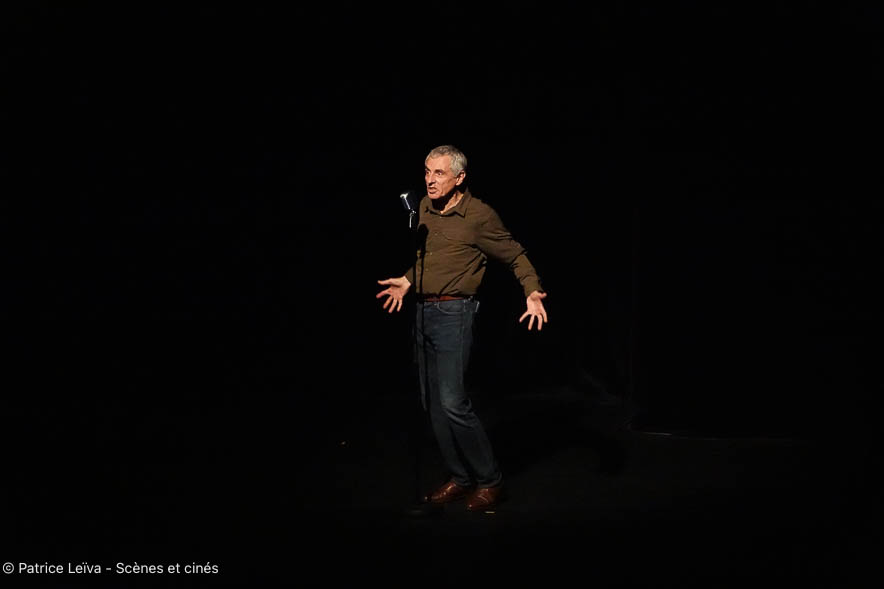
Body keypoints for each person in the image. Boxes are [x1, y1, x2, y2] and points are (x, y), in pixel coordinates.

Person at [376, 145, 548, 511]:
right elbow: (431, 258)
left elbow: (515, 255)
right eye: (427, 171)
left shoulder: (479, 216)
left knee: (453, 401)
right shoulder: (424, 208)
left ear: (459, 177)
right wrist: (407, 280)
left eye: (439, 173)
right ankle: (459, 476)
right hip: (422, 312)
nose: (430, 180)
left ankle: (490, 481)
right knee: (432, 403)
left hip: (455, 312)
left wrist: (531, 291)